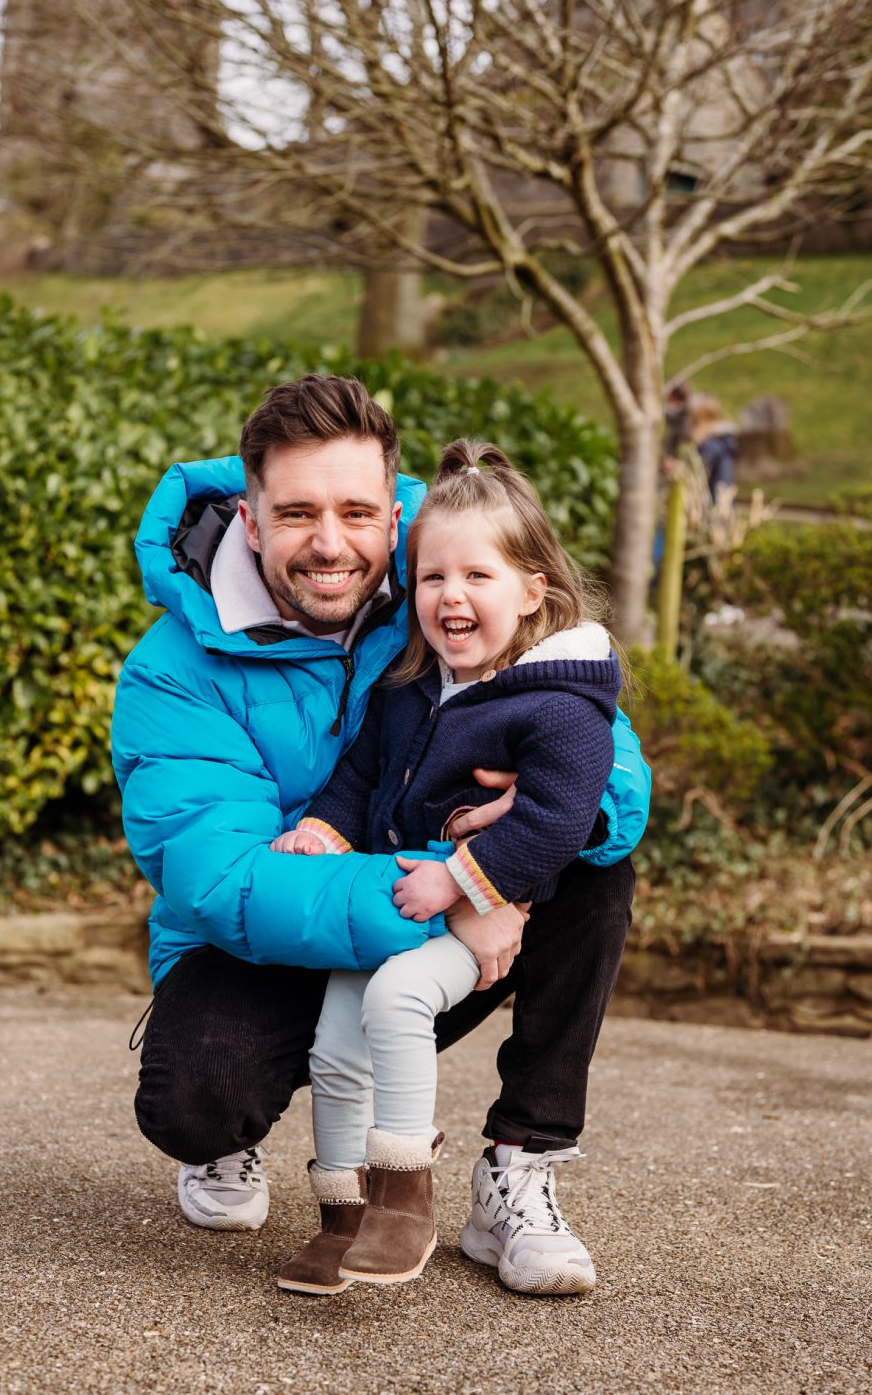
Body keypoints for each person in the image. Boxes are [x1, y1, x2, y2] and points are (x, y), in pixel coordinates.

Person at [111, 375, 650, 1295]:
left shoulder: (448, 568)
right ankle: (229, 1141)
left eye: (358, 510)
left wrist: (522, 849)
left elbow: (598, 747)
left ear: (391, 511)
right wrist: (461, 884)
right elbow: (225, 881)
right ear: (249, 517)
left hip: (439, 901)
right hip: (267, 937)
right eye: (297, 514)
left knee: (595, 858)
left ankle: (517, 1168)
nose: (331, 543)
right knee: (196, 1098)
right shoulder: (171, 674)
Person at [272, 439, 625, 1298]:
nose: (451, 597)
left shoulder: (560, 702)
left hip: (481, 915)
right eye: (432, 579)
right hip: (399, 906)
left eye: (478, 578)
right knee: (334, 1041)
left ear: (532, 591)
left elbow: (556, 818)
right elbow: (361, 775)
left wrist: (465, 882)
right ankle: (343, 1214)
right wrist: (323, 823)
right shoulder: (411, 685)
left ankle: (407, 1198)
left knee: (396, 1000)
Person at [690, 395, 739, 503]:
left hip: (713, 496)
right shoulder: (724, 439)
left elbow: (701, 467)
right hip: (722, 493)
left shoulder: (712, 443)